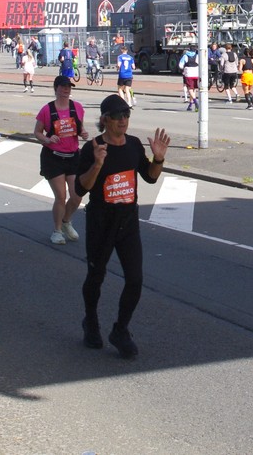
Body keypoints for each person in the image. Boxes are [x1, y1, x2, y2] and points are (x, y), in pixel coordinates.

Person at [74, 94, 169, 358]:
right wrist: (97, 164)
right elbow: (81, 188)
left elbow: (150, 177)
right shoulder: (93, 148)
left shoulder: (134, 144)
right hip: (101, 221)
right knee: (96, 276)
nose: (123, 120)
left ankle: (121, 329)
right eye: (117, 116)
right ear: (105, 120)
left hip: (128, 222)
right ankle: (91, 322)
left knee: (135, 279)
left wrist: (158, 159)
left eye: (126, 115)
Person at [34, 75, 88, 245]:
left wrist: (83, 133)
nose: (66, 90)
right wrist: (47, 139)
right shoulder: (47, 109)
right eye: (63, 87)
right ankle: (57, 231)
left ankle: (66, 221)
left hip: (73, 157)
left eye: (68, 87)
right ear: (56, 88)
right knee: (61, 196)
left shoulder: (77, 107)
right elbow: (37, 132)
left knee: (77, 196)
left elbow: (79, 128)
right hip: (53, 158)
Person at [179, 44, 200, 111]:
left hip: (188, 74)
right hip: (196, 74)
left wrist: (183, 68)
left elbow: (180, 65)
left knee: (190, 89)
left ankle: (195, 102)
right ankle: (190, 105)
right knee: (194, 89)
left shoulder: (185, 56)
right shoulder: (197, 56)